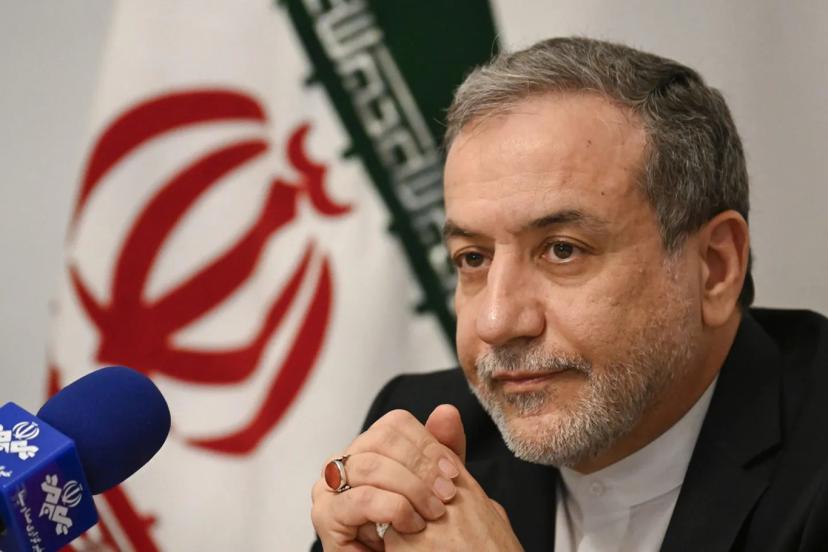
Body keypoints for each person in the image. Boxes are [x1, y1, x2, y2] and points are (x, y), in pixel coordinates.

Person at [310, 37, 828, 551]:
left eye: (562, 250)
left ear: (714, 268)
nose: (495, 321)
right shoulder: (427, 435)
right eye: (473, 258)